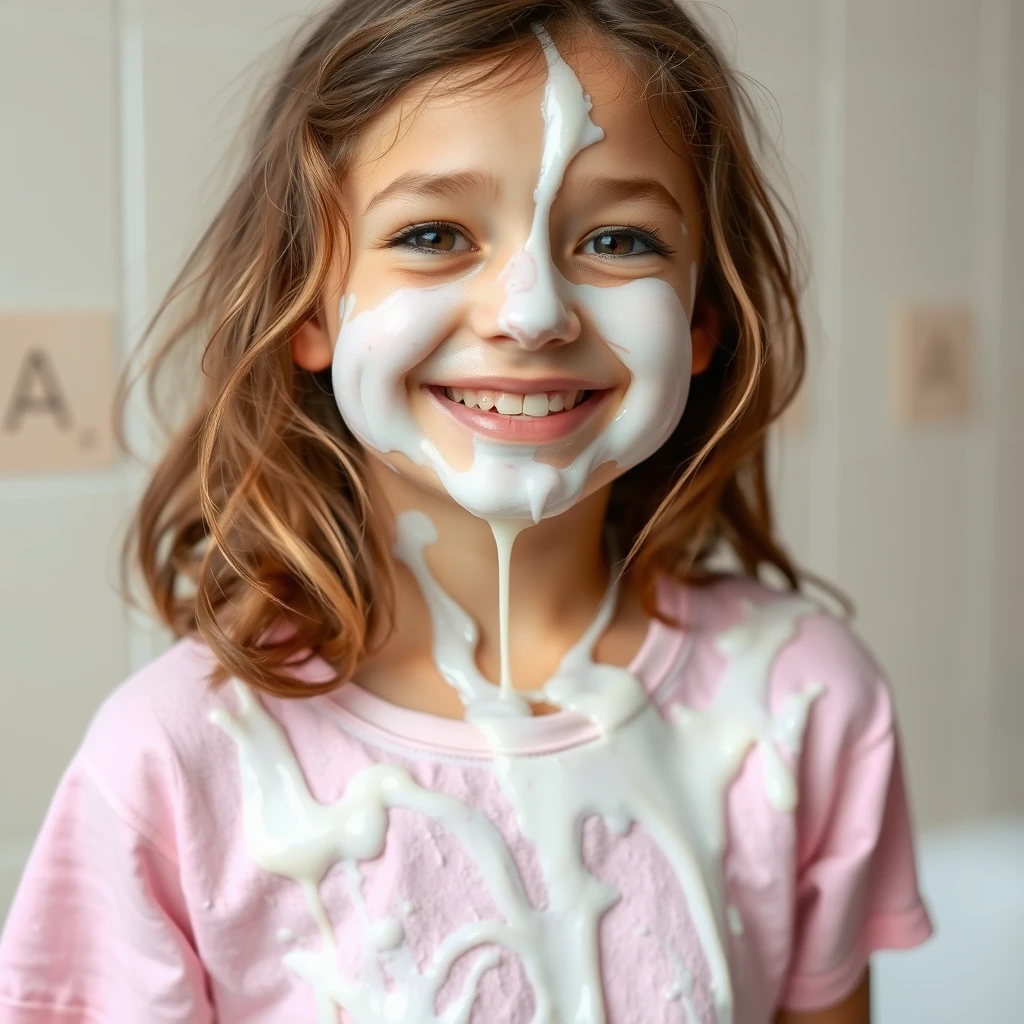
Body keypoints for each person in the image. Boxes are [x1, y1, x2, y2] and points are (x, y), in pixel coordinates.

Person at [0, 1, 933, 1021]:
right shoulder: (177, 763)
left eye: (619, 238)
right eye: (433, 234)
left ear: (703, 319)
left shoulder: (798, 704)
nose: (531, 312)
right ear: (309, 306)